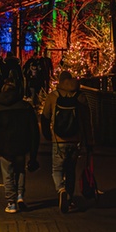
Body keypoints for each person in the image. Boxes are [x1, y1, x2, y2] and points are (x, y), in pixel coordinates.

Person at [40, 71, 94, 213]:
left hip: (58, 140)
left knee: (57, 169)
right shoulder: (80, 96)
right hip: (76, 140)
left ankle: (61, 189)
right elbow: (87, 122)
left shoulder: (53, 96)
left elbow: (45, 117)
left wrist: (47, 135)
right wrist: (89, 142)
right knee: (71, 170)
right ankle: (69, 199)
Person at [0, 78, 40, 214]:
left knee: (8, 173)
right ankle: (20, 195)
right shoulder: (25, 107)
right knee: (20, 170)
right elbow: (33, 130)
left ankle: (11, 202)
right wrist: (33, 151)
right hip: (22, 144)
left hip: (5, 146)